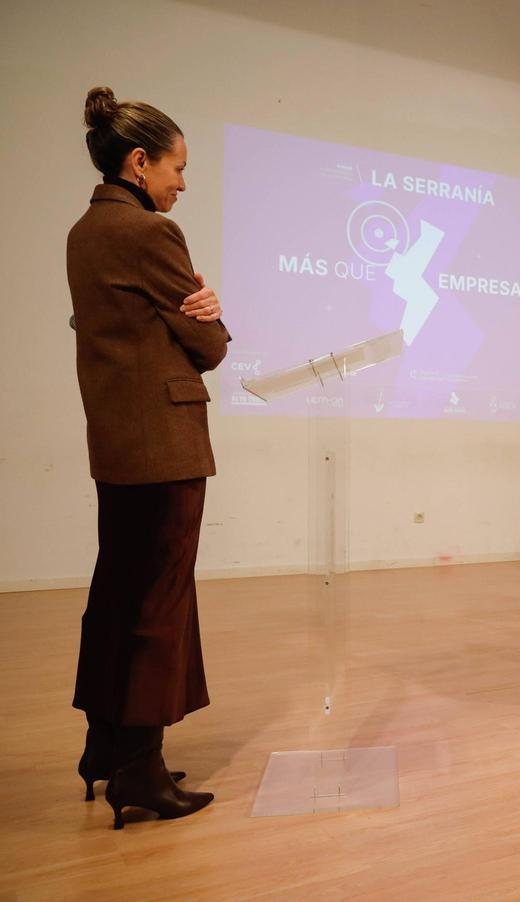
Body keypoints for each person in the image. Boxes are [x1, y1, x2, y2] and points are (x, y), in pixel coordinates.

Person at [68, 87, 230, 829]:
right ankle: (140, 768)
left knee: (119, 595)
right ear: (140, 162)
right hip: (163, 447)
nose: (182, 184)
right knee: (158, 607)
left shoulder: (84, 230)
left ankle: (107, 747)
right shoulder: (151, 235)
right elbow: (208, 347)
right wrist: (211, 311)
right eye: (177, 167)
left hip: (118, 444)